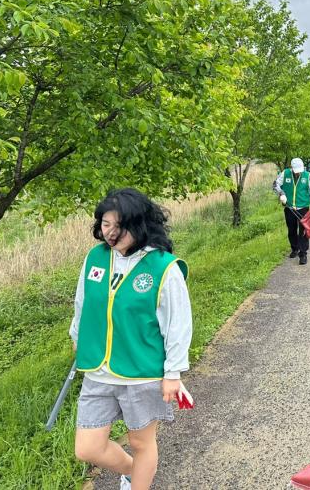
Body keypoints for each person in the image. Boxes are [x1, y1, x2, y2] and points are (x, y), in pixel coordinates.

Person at [70, 188, 192, 490]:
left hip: (142, 371)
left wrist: (173, 373)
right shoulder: (95, 258)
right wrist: (78, 338)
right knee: (87, 448)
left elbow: (177, 324)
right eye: (105, 224)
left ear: (139, 224)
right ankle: (132, 472)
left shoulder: (163, 267)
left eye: (119, 226)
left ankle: (138, 482)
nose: (110, 233)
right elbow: (82, 305)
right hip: (98, 369)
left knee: (141, 443)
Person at [273, 157, 310, 265]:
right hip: (289, 207)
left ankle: (303, 254)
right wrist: (281, 193)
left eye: (300, 171)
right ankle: (295, 248)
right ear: (292, 168)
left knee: (303, 231)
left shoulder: (307, 176)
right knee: (292, 230)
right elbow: (275, 184)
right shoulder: (285, 173)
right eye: (296, 171)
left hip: (303, 207)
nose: (298, 173)